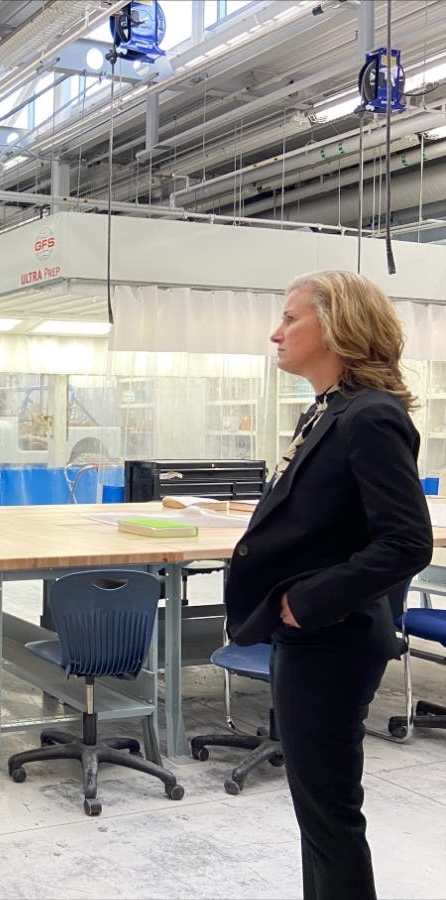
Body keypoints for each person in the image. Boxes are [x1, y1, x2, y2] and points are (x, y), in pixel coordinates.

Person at [223, 270, 433, 900]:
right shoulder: (329, 410)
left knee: (330, 817)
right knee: (319, 816)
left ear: (338, 326)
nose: (275, 333)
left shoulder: (369, 417)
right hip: (313, 638)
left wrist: (304, 603)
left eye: (291, 318)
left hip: (331, 639)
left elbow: (406, 542)